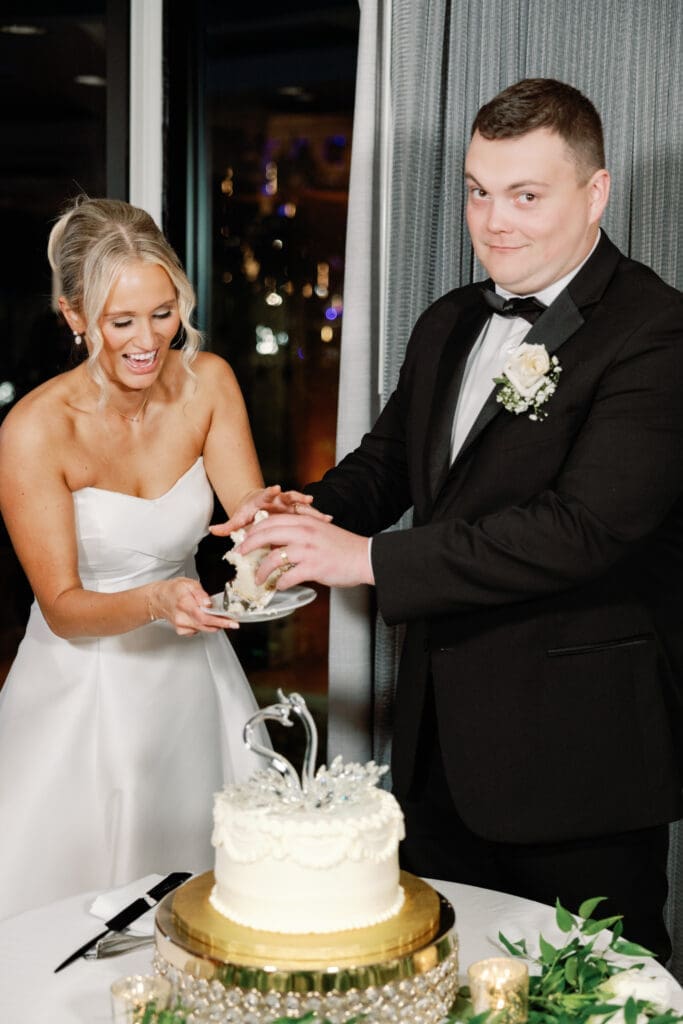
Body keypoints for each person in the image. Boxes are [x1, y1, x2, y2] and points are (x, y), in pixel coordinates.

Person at [216, 79, 683, 960]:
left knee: (593, 999)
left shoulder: (657, 332)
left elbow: (582, 528)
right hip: (436, 756)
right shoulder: (449, 320)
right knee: (445, 986)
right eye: (476, 189)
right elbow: (389, 461)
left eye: (524, 195)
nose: (492, 220)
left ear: (596, 193)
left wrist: (369, 560)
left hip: (578, 762)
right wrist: (301, 516)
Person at [0, 197, 314, 920]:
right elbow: (63, 608)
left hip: (193, 682)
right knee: (70, 917)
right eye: (122, 322)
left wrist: (270, 522)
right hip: (83, 691)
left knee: (214, 907)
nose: (149, 342)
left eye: (163, 313)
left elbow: (244, 520)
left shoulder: (209, 384)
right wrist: (154, 602)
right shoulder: (36, 430)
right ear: (74, 316)